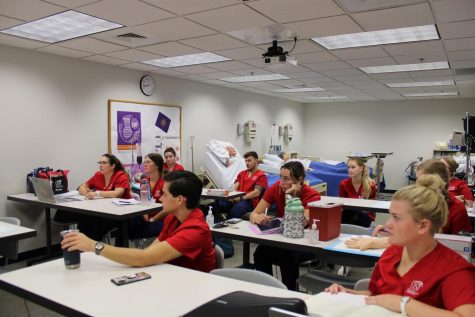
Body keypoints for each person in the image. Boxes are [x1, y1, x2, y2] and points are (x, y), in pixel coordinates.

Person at [326, 174, 475, 316]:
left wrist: (404, 304)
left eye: (396, 218)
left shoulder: (454, 270)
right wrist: (347, 294)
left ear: (423, 226)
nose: (387, 224)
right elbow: (376, 297)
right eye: (390, 215)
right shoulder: (391, 254)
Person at [61, 171, 217, 273]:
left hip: (192, 291)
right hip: (172, 276)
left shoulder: (195, 230)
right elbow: (148, 252)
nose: (160, 198)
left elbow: (144, 257)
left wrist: (94, 246)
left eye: (164, 194)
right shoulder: (173, 217)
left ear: (180, 200)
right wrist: (139, 259)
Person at [346, 159, 472, 251]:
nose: (417, 184)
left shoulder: (456, 209)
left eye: (420, 179)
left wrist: (382, 242)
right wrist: (390, 230)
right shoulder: (416, 203)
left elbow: (459, 247)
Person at [250, 161, 321, 290]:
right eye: (280, 177)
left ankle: (291, 293)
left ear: (299, 180)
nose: (281, 182)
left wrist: (289, 196)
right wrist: (257, 217)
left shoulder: (312, 195)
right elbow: (254, 213)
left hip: (305, 243)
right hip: (282, 240)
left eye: (286, 178)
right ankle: (268, 290)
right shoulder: (276, 188)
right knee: (260, 252)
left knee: (287, 256)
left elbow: (298, 223)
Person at [55, 153, 131, 242]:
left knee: (93, 224)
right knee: (82, 219)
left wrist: (96, 193)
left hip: (119, 213)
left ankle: (92, 248)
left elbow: (117, 193)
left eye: (104, 163)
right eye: (99, 163)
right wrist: (86, 192)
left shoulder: (121, 175)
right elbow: (81, 187)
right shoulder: (98, 175)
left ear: (112, 166)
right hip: (101, 210)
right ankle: (83, 248)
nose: (101, 165)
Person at [129, 153, 167, 239]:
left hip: (160, 219)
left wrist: (152, 220)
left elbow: (166, 209)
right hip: (145, 218)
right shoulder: (144, 181)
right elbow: (144, 202)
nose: (144, 164)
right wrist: (145, 218)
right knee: (126, 223)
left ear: (157, 166)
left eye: (148, 162)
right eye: (144, 162)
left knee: (129, 229)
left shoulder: (165, 183)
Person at [227, 151, 268, 219]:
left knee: (236, 210)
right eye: (246, 161)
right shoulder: (242, 173)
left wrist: (240, 198)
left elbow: (256, 193)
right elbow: (235, 186)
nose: (247, 163)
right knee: (218, 204)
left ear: (256, 161)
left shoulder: (261, 175)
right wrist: (233, 196)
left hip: (250, 201)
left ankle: (226, 227)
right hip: (238, 198)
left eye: (249, 161)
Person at [339, 157, 377, 227]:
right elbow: (343, 204)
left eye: (353, 167)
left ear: (361, 168)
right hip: (348, 214)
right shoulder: (343, 184)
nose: (350, 170)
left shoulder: (370, 185)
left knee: (362, 215)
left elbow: (372, 206)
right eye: (348, 167)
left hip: (364, 215)